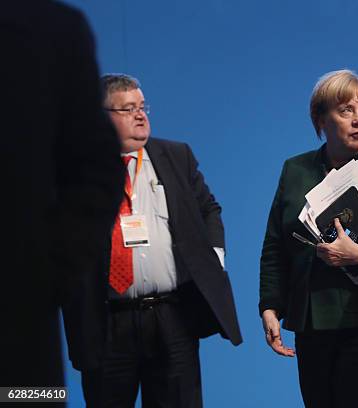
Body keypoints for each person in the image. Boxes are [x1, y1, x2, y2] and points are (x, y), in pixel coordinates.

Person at [259, 70, 358, 408]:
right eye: (347, 110)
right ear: (320, 118)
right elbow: (276, 245)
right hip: (313, 323)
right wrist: (271, 306)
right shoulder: (295, 169)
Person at [81, 74, 242, 407]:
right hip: (108, 321)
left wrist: (212, 260)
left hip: (172, 317)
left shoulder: (175, 155)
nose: (141, 115)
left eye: (142, 106)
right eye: (128, 109)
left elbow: (209, 208)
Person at [0, 0, 124, 391]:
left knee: (25, 397)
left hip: (18, 322)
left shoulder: (50, 28)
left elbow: (95, 170)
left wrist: (42, 278)